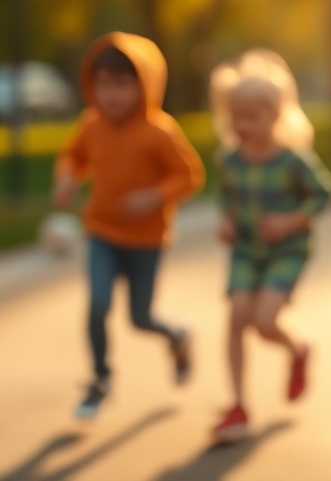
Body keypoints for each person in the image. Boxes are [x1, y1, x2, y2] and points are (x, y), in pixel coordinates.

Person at [53, 32, 205, 420]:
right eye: (103, 84)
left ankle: (178, 336)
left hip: (146, 239)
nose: (111, 95)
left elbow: (189, 175)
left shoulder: (160, 131)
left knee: (140, 317)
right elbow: (74, 155)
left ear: (145, 85)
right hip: (102, 232)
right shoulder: (91, 125)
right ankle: (100, 378)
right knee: (98, 304)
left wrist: (155, 196)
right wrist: (68, 176)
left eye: (122, 84)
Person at [207, 49, 331, 443]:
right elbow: (226, 198)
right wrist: (227, 222)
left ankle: (297, 348)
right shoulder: (230, 161)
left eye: (252, 116)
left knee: (264, 323)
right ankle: (238, 405)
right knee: (236, 319)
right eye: (236, 116)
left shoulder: (292, 161)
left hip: (287, 251)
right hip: (247, 252)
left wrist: (289, 221)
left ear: (275, 116)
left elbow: (325, 195)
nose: (243, 125)